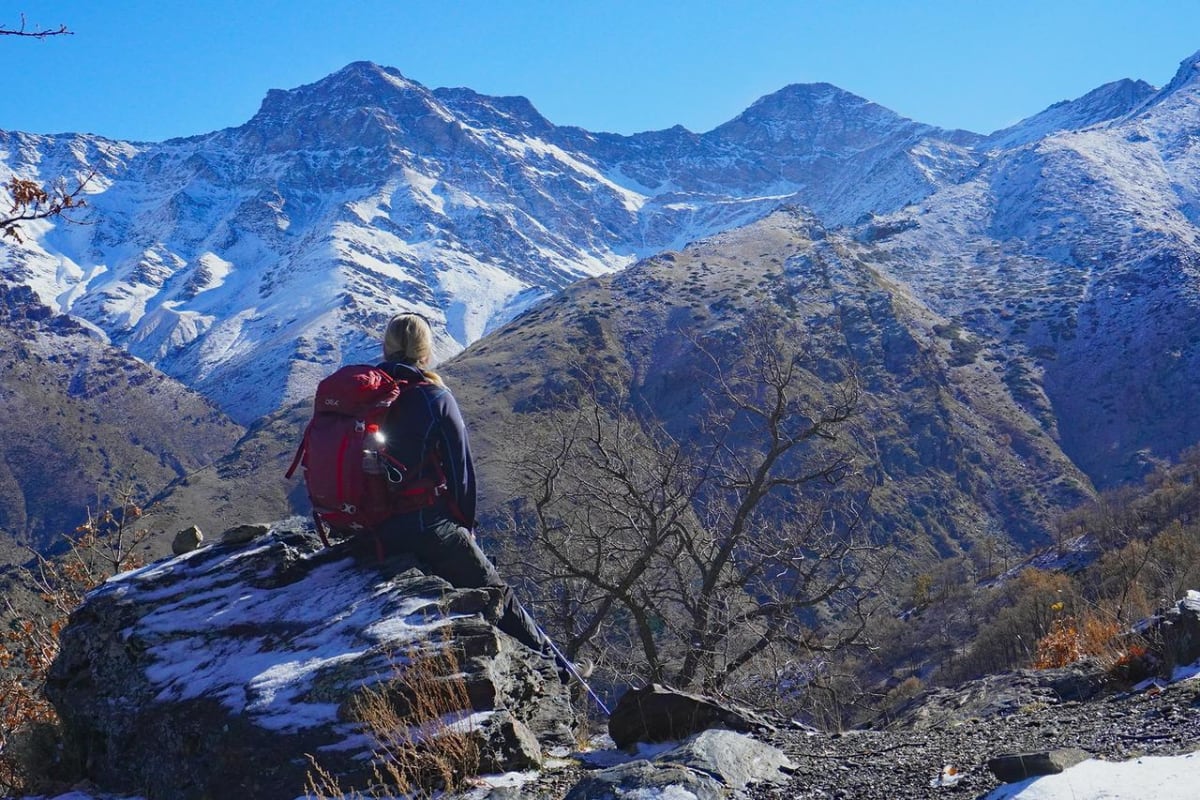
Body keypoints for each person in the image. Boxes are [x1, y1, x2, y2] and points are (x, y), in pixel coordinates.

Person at [373, 312, 551, 660]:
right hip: (427, 527)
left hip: (373, 527)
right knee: (495, 591)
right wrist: (465, 529)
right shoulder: (434, 398)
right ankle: (554, 667)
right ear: (426, 352)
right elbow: (462, 473)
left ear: (385, 348)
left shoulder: (367, 396)